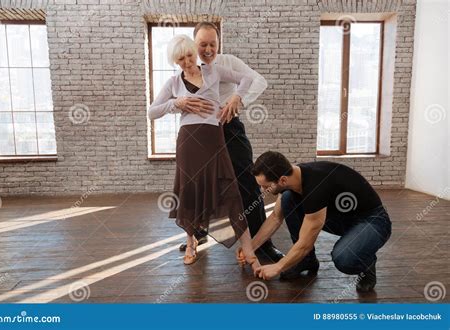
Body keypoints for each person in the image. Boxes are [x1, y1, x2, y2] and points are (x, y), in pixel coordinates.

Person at [175, 22, 284, 263]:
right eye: (202, 44)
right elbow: (172, 101)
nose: (208, 49)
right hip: (199, 135)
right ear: (194, 44)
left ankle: (262, 245)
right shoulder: (186, 69)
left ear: (218, 44)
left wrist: (238, 98)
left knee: (246, 184)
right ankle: (198, 234)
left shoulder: (229, 63)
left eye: (213, 43)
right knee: (198, 184)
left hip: (229, 129)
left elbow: (259, 81)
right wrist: (180, 104)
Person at [148, 34, 260, 270]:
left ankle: (248, 248)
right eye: (180, 59)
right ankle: (190, 243)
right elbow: (152, 112)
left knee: (231, 193)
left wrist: (235, 98)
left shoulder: (214, 71)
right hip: (188, 142)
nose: (187, 62)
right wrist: (176, 104)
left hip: (213, 140)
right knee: (189, 191)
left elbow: (247, 78)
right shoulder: (174, 83)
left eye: (189, 56)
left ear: (193, 52)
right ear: (175, 61)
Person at [238, 151, 392, 292]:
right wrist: (250, 248)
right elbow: (275, 218)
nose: (262, 191)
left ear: (282, 180)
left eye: (265, 187)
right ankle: (306, 261)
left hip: (373, 220)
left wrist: (278, 267)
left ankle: (367, 262)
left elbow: (305, 244)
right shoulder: (293, 176)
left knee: (344, 258)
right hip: (342, 218)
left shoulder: (316, 186)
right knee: (287, 199)